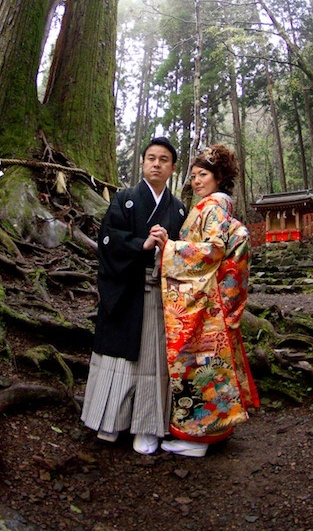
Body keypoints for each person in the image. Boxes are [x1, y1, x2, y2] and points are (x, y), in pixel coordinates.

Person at [151, 144, 259, 458]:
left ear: (218, 177)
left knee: (198, 365)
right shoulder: (215, 206)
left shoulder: (212, 207)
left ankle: (197, 438)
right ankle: (215, 432)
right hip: (211, 297)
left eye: (203, 175)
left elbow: (212, 250)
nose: (196, 181)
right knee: (209, 366)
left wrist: (170, 248)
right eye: (194, 175)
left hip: (204, 298)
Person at [81, 137, 187, 455]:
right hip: (126, 291)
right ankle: (110, 419)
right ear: (142, 163)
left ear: (172, 168)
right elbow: (108, 239)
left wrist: (168, 246)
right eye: (151, 158)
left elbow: (187, 253)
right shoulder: (124, 199)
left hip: (158, 295)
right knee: (119, 358)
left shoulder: (179, 209)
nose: (156, 163)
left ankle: (147, 426)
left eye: (164, 159)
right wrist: (140, 245)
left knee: (153, 361)